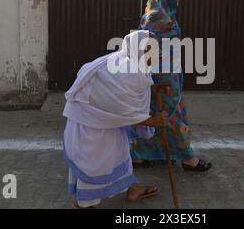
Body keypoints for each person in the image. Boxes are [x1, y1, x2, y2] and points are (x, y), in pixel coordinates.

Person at [62, 30, 168, 208]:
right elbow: (125, 110)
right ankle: (84, 203)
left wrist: (153, 89)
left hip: (102, 121)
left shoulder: (129, 61)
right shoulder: (129, 71)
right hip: (93, 125)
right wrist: (153, 121)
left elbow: (123, 99)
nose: (159, 53)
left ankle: (131, 188)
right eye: (155, 49)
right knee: (97, 163)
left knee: (120, 154)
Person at [130, 0, 212, 172]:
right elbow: (148, 50)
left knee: (157, 115)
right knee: (172, 117)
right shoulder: (157, 18)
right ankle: (187, 159)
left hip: (166, 75)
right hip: (162, 79)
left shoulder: (158, 14)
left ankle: (144, 155)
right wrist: (161, 77)